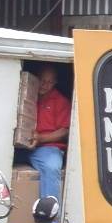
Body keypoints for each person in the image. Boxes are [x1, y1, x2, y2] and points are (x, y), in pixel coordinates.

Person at [28, 66, 72, 205]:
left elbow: (64, 131)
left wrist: (40, 138)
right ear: (35, 78)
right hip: (21, 147)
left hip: (47, 148)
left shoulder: (60, 101)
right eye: (42, 80)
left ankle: (49, 220)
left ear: (55, 83)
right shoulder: (26, 94)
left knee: (52, 167)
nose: (45, 85)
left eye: (49, 82)